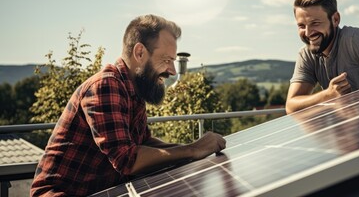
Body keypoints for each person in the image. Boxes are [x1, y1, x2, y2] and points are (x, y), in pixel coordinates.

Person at [30, 14, 226, 196]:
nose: (173, 71)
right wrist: (192, 150)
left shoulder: (134, 89)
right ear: (140, 53)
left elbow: (144, 144)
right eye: (166, 60)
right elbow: (128, 160)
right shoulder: (105, 85)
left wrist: (190, 151)